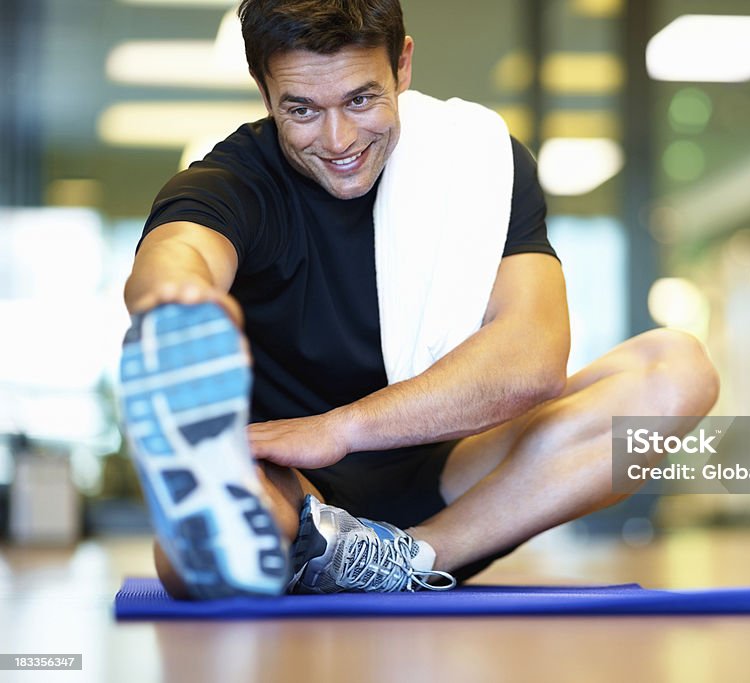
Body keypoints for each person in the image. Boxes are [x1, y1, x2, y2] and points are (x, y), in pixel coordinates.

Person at [120, 0, 719, 599]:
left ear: (402, 66)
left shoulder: (478, 163)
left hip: (455, 477)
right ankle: (316, 551)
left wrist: (342, 428)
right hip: (297, 492)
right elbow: (182, 251)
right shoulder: (232, 181)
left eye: (361, 99)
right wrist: (176, 300)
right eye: (301, 109)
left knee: (674, 370)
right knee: (197, 552)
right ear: (263, 88)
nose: (338, 139)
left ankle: (409, 557)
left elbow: (533, 361)